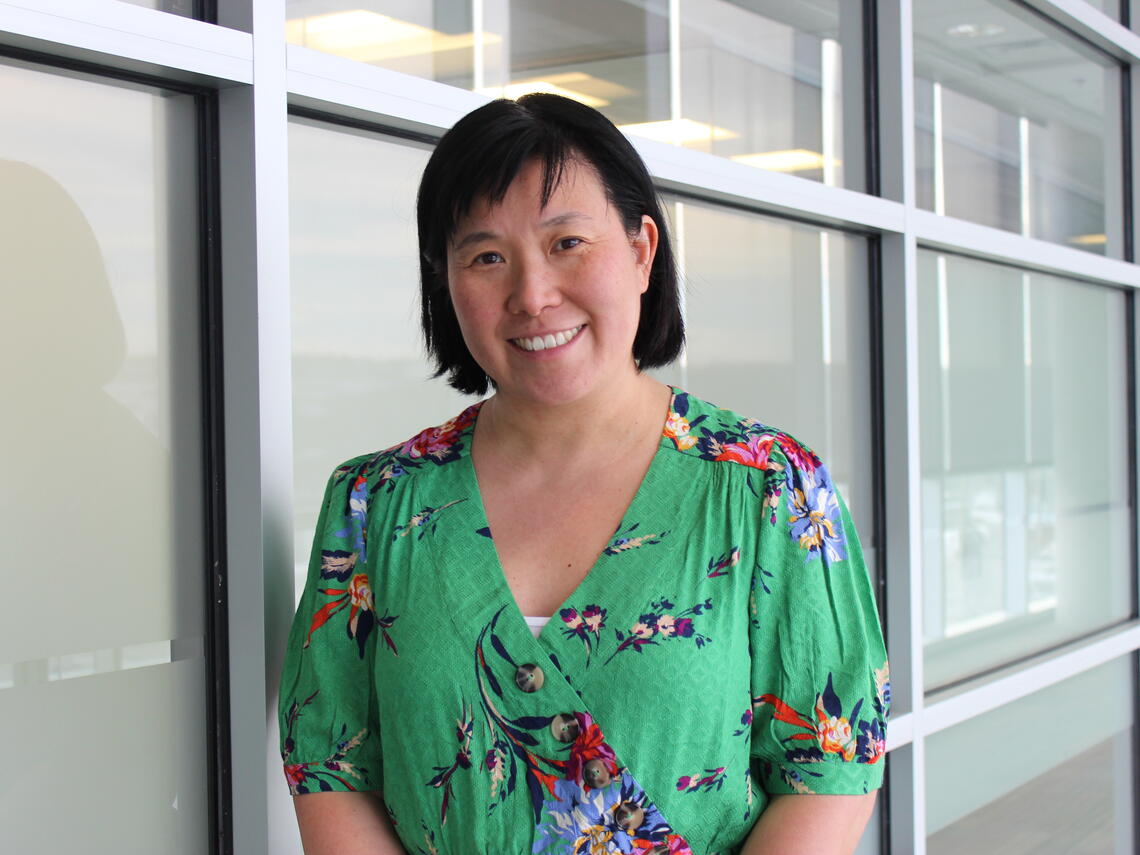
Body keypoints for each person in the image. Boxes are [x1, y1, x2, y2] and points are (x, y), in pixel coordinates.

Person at [278, 93, 889, 855]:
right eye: (487, 256)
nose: (532, 295)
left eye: (567, 242)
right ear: (447, 283)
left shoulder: (768, 490)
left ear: (641, 250)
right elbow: (330, 762)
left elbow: (832, 766)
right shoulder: (376, 505)